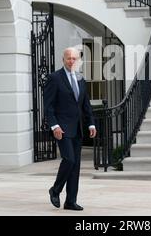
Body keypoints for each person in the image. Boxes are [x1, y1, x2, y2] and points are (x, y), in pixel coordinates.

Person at [43, 47, 97, 211]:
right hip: (62, 128)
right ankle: (55, 189)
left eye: (74, 58)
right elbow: (49, 106)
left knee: (75, 166)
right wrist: (54, 125)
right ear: (63, 59)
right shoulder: (55, 78)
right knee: (69, 159)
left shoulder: (81, 79)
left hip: (78, 128)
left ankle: (70, 201)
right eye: (69, 58)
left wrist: (91, 123)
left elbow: (85, 104)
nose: (72, 61)